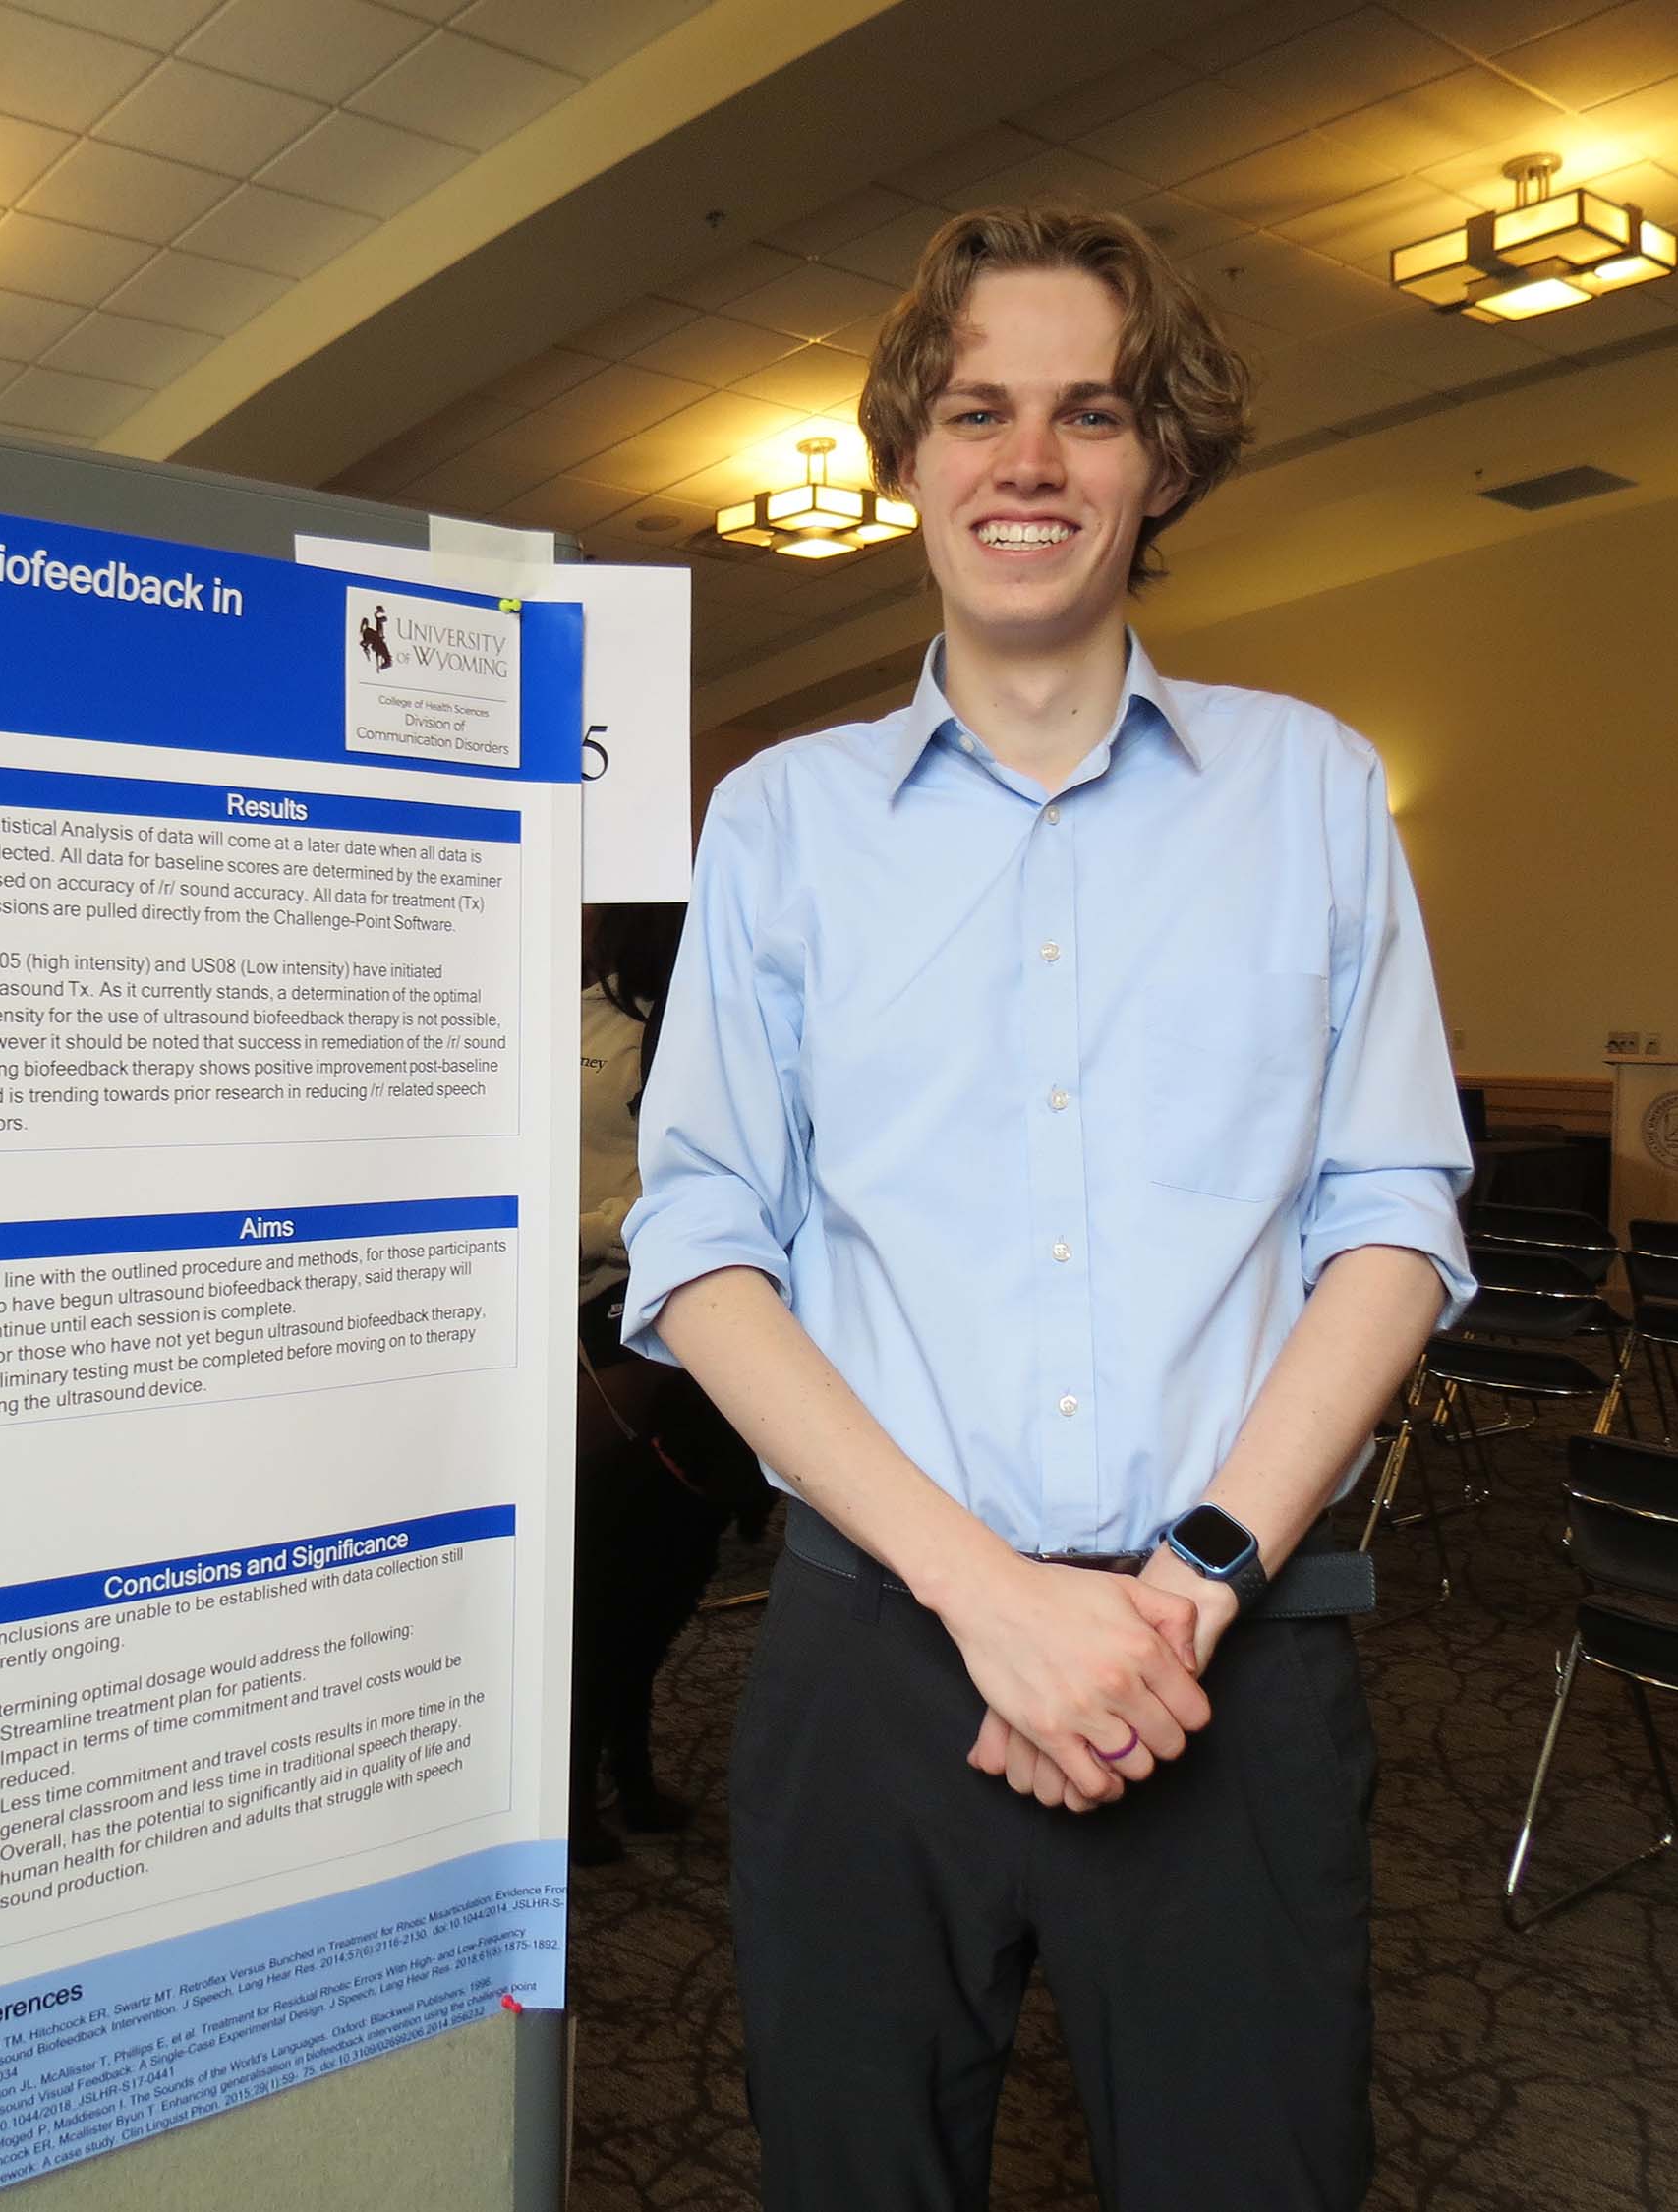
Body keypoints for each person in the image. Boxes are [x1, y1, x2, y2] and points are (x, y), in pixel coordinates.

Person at [619, 204, 1471, 2211]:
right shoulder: (780, 822)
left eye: (1089, 411)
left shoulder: (1315, 788)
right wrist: (992, 1603)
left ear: (1159, 461)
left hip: (1227, 1663)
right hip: (875, 1662)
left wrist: (1174, 1595)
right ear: (909, 458)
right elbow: (703, 1245)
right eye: (978, 411)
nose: (1028, 462)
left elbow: (1392, 1212)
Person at [571, 904, 760, 1865]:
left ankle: (624, 1777)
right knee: (597, 1583)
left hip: (656, 1327)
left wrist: (586, 1230)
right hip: (574, 1324)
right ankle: (577, 1796)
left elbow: (686, 1189)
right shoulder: (583, 1022)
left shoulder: (703, 1043)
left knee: (650, 1579)